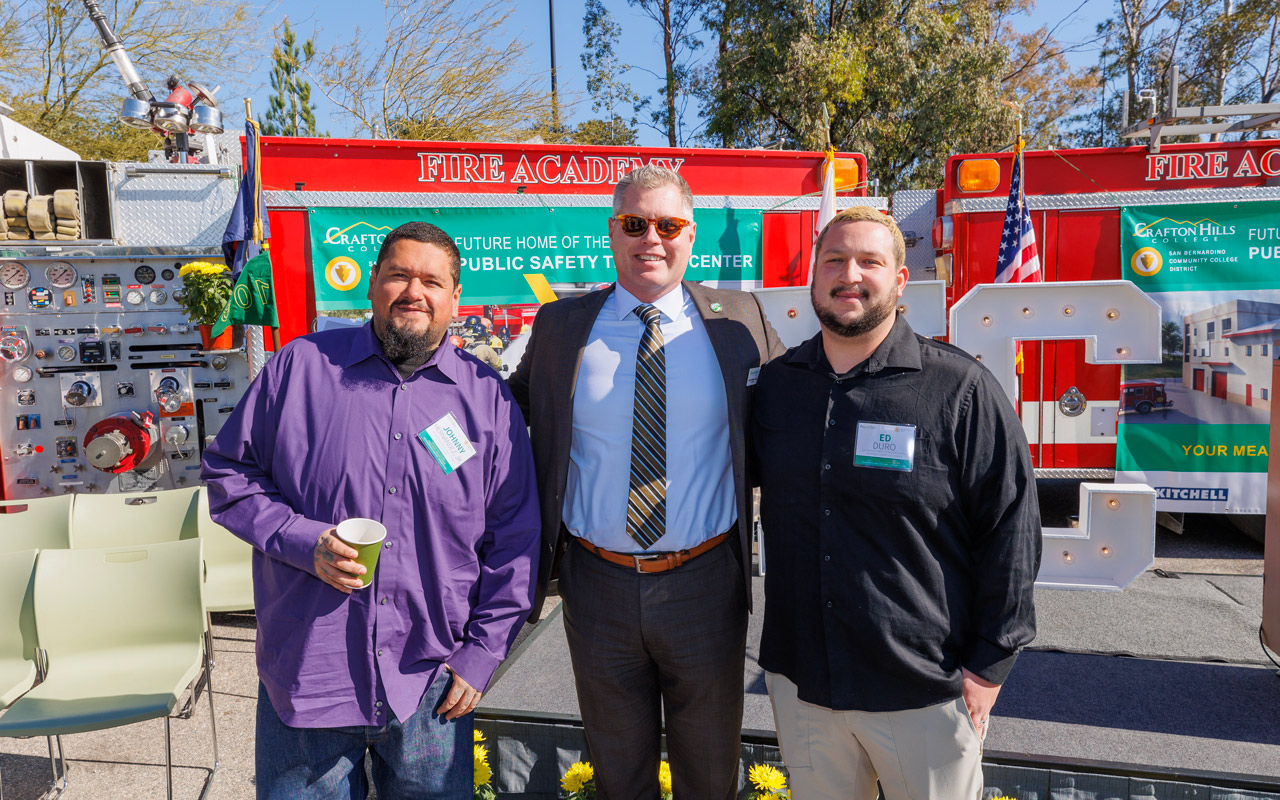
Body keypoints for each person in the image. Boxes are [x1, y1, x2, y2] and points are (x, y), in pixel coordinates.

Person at [202, 221, 540, 800]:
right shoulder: (298, 369)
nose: (414, 291)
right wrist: (299, 539)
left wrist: (482, 653)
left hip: (433, 678)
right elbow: (229, 475)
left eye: (432, 280)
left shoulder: (488, 401)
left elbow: (515, 540)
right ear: (373, 286)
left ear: (455, 299)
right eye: (398, 275)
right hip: (309, 670)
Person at [508, 164, 783, 800]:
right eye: (635, 224)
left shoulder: (738, 320)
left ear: (692, 234)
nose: (650, 239)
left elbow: (786, 421)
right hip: (595, 585)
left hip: (707, 584)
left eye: (668, 224)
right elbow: (503, 418)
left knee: (710, 775)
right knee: (618, 775)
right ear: (612, 232)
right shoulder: (560, 327)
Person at [751, 207, 1041, 799]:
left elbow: (1012, 530)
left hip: (924, 689)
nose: (848, 274)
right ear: (813, 273)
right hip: (803, 682)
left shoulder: (959, 388)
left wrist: (989, 666)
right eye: (834, 259)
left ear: (900, 281)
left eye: (869, 261)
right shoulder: (777, 386)